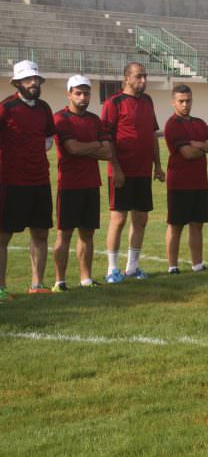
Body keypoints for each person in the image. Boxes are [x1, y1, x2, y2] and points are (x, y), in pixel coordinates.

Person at [101, 62, 164, 283]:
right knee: (118, 219)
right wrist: (116, 168)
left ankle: (132, 267)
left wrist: (157, 165)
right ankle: (112, 269)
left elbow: (152, 135)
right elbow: (107, 138)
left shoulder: (147, 101)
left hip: (143, 171)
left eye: (145, 76)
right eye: (139, 76)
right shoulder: (114, 102)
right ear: (127, 78)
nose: (143, 81)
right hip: (122, 171)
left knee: (141, 218)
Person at [0, 60, 56, 298]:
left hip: (40, 181)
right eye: (28, 79)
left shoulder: (44, 108)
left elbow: (47, 140)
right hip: (11, 182)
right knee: (3, 235)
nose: (33, 83)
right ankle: (0, 289)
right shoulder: (6, 108)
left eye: (36, 79)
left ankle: (37, 284)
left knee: (41, 233)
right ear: (17, 83)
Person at [51, 75, 113, 291]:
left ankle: (86, 279)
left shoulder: (96, 120)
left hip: (91, 184)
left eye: (86, 93)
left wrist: (88, 148)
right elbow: (72, 149)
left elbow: (108, 152)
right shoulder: (60, 118)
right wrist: (96, 145)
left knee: (87, 233)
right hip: (69, 184)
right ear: (69, 94)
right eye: (78, 93)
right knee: (65, 233)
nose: (83, 97)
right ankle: (60, 281)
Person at [163, 84, 208, 274]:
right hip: (179, 183)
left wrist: (199, 144)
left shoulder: (200, 123)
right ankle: (173, 266)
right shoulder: (172, 125)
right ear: (173, 102)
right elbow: (188, 153)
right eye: (181, 101)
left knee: (197, 224)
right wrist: (204, 146)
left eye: (188, 101)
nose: (185, 105)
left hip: (200, 182)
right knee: (176, 225)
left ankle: (197, 264)